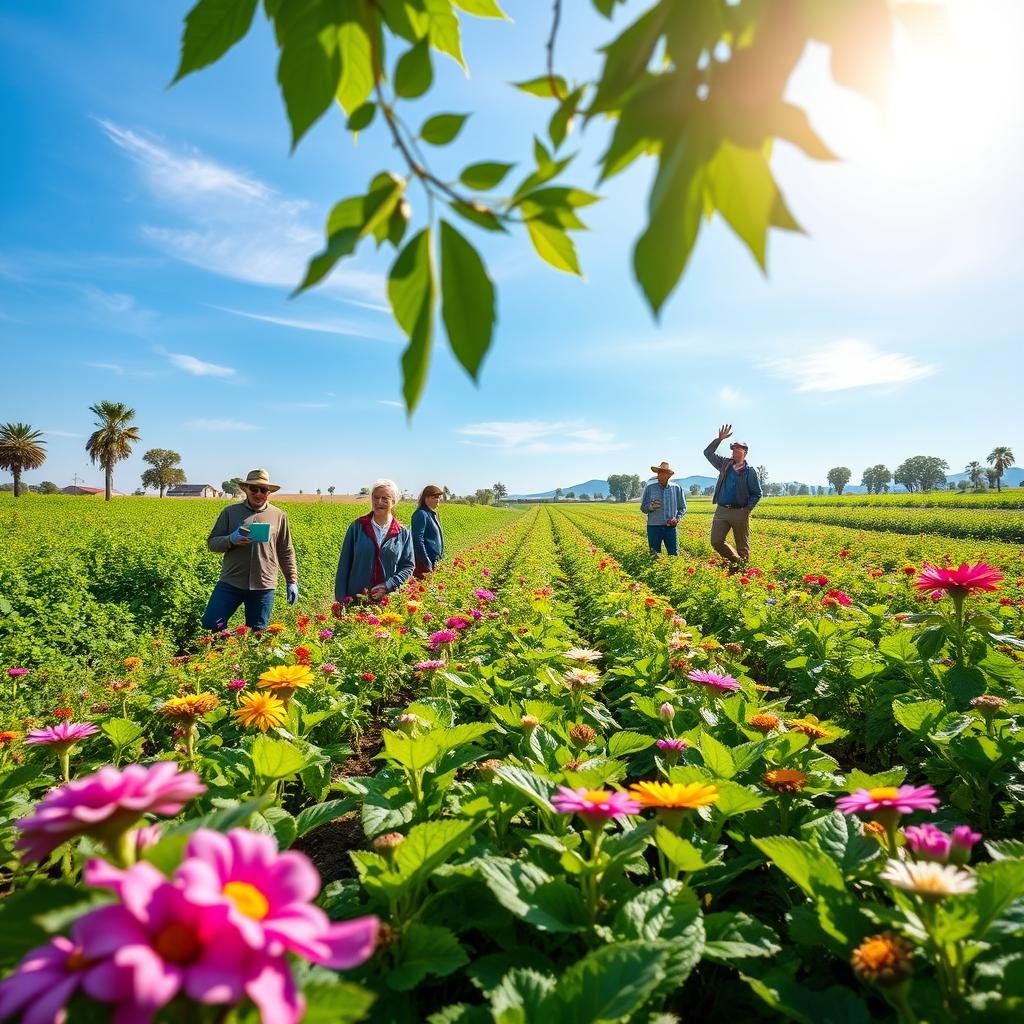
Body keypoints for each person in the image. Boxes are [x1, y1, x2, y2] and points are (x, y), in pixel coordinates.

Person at [202, 468, 298, 630]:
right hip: (231, 581)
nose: (259, 493)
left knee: (257, 632)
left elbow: (285, 550)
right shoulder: (230, 513)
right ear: (245, 489)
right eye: (254, 488)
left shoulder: (279, 515)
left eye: (264, 490)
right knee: (211, 622)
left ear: (268, 492)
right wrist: (231, 539)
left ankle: (243, 653)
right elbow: (212, 543)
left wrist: (292, 581)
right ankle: (225, 651)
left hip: (264, 584)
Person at [335, 478, 415, 602]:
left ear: (393, 501)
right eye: (376, 497)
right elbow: (344, 565)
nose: (379, 502)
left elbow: (408, 566)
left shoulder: (402, 532)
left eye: (385, 498)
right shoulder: (357, 527)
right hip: (356, 601)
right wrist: (341, 600)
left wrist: (388, 585)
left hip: (388, 601)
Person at [703, 424, 762, 571]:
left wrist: (747, 509)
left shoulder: (750, 472)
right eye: (733, 448)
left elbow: (757, 493)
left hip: (740, 511)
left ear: (745, 453)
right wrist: (719, 439)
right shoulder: (724, 464)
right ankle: (736, 562)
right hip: (722, 510)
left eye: (738, 448)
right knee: (716, 541)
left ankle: (742, 573)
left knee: (742, 545)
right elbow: (707, 453)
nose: (734, 451)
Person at [640, 461, 687, 555]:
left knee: (673, 555)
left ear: (668, 475)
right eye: (658, 472)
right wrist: (651, 507)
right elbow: (643, 508)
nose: (659, 475)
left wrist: (676, 519)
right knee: (654, 556)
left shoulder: (676, 488)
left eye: (662, 473)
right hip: (653, 527)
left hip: (670, 528)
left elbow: (683, 508)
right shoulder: (650, 488)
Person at [411, 484, 444, 578]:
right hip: (424, 564)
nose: (438, 500)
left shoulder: (431, 514)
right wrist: (427, 562)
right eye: (435, 497)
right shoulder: (421, 514)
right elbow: (417, 540)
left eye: (439, 497)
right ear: (426, 498)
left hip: (434, 562)